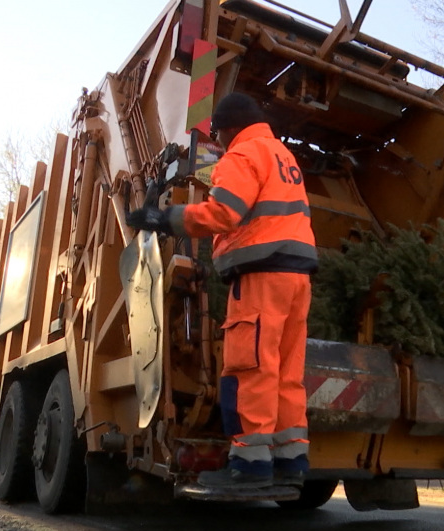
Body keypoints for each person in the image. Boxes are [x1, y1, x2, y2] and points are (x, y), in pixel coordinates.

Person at [127, 92, 318, 493]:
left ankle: (249, 463)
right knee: (286, 372)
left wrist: (166, 219)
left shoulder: (242, 155)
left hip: (260, 276)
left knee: (250, 366)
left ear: (230, 128)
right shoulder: (281, 155)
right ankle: (290, 459)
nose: (222, 142)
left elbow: (223, 213)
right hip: (296, 279)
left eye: (220, 134)